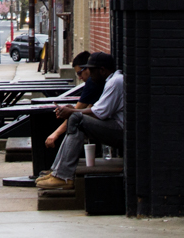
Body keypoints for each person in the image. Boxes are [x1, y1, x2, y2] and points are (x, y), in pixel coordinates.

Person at [36, 51, 123, 190]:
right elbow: (97, 109)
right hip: (115, 127)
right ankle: (57, 171)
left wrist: (73, 112)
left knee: (76, 118)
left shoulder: (115, 82)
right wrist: (73, 110)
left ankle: (63, 177)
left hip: (121, 132)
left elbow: (98, 113)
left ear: (102, 70)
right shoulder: (112, 80)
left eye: (91, 70)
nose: (89, 74)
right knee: (75, 117)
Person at [43, 51, 102, 151]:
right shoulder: (97, 81)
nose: (79, 77)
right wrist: (72, 110)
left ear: (88, 68)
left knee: (75, 121)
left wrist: (55, 134)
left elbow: (77, 111)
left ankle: (66, 164)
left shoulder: (92, 82)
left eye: (80, 73)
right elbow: (87, 108)